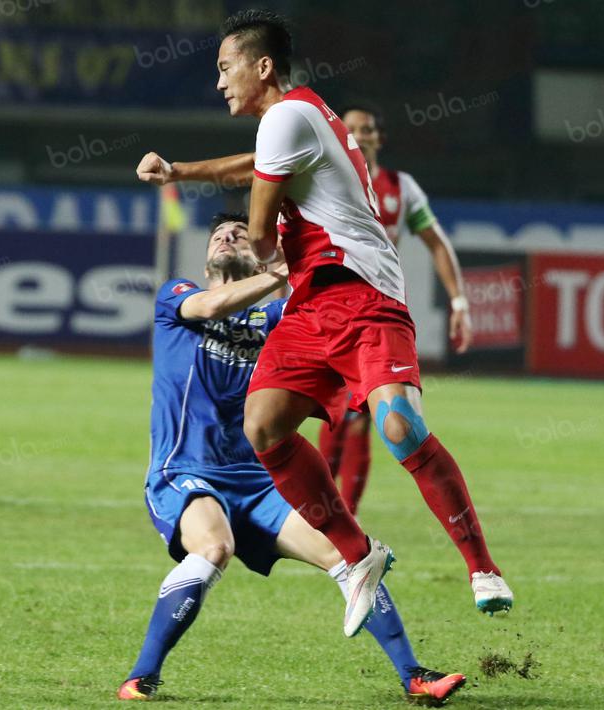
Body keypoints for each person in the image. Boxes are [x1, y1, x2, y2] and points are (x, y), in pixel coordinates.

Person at [134, 9, 512, 621]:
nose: (220, 81)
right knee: (263, 426)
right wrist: (180, 172)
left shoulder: (286, 117)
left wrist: (266, 257)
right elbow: (253, 165)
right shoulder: (293, 119)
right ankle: (356, 554)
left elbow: (259, 232)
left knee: (399, 427)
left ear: (263, 67)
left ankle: (482, 567)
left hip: (363, 293)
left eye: (226, 67)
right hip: (312, 304)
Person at [120, 212, 465, 706]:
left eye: (240, 233)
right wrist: (278, 272)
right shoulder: (177, 297)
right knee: (214, 547)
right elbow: (211, 305)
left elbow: (337, 320)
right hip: (186, 473)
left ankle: (414, 676)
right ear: (207, 256)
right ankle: (140, 677)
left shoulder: (284, 319)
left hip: (263, 483)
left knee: (351, 555)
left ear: (261, 251)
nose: (227, 236)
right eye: (219, 234)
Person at [316, 105, 473, 516]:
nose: (358, 134)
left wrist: (459, 301)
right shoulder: (322, 179)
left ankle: (342, 517)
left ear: (379, 138)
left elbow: (437, 242)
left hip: (376, 317)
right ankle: (322, 515)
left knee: (362, 418)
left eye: (367, 129)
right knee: (335, 414)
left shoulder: (401, 189)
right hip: (328, 313)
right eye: (349, 128)